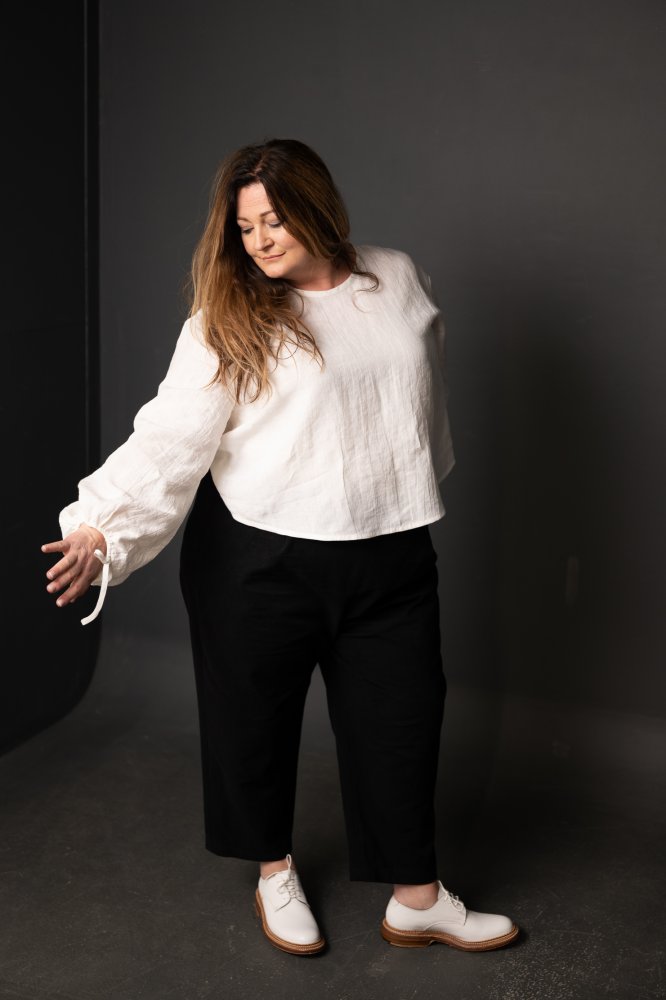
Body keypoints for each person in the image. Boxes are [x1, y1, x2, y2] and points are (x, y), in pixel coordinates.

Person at [41, 138, 519, 956]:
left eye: (275, 219)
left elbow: (417, 388)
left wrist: (400, 480)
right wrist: (99, 525)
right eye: (245, 227)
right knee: (252, 724)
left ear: (316, 207)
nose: (259, 240)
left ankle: (417, 898)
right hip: (258, 555)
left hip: (388, 545)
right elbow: (169, 436)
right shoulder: (228, 316)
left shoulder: (397, 276)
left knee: (402, 723)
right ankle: (274, 871)